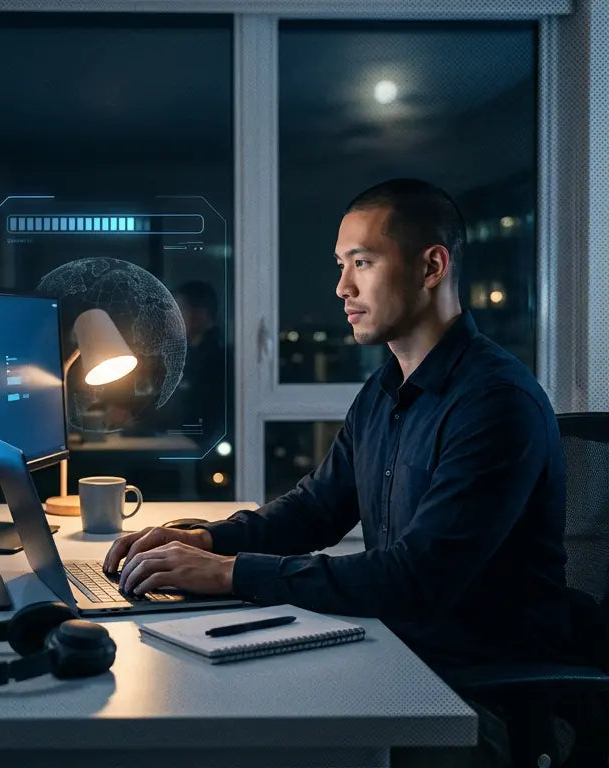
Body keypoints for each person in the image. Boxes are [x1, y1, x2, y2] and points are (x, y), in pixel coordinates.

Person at [103, 178, 605, 766]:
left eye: (362, 263)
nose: (342, 287)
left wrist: (229, 572)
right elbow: (317, 508)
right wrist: (209, 540)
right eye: (341, 265)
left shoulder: (495, 403)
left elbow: (416, 579)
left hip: (477, 689)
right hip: (401, 648)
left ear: (432, 266)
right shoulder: (384, 389)